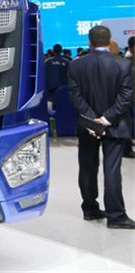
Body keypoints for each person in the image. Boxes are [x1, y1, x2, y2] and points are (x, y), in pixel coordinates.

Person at [67, 25, 135, 229]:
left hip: (87, 127)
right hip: (115, 125)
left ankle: (90, 209)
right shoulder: (123, 65)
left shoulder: (75, 65)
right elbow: (125, 98)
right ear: (110, 40)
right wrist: (106, 119)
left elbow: (75, 96)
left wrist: (92, 121)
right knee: (112, 170)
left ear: (89, 42)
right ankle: (116, 216)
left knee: (87, 167)